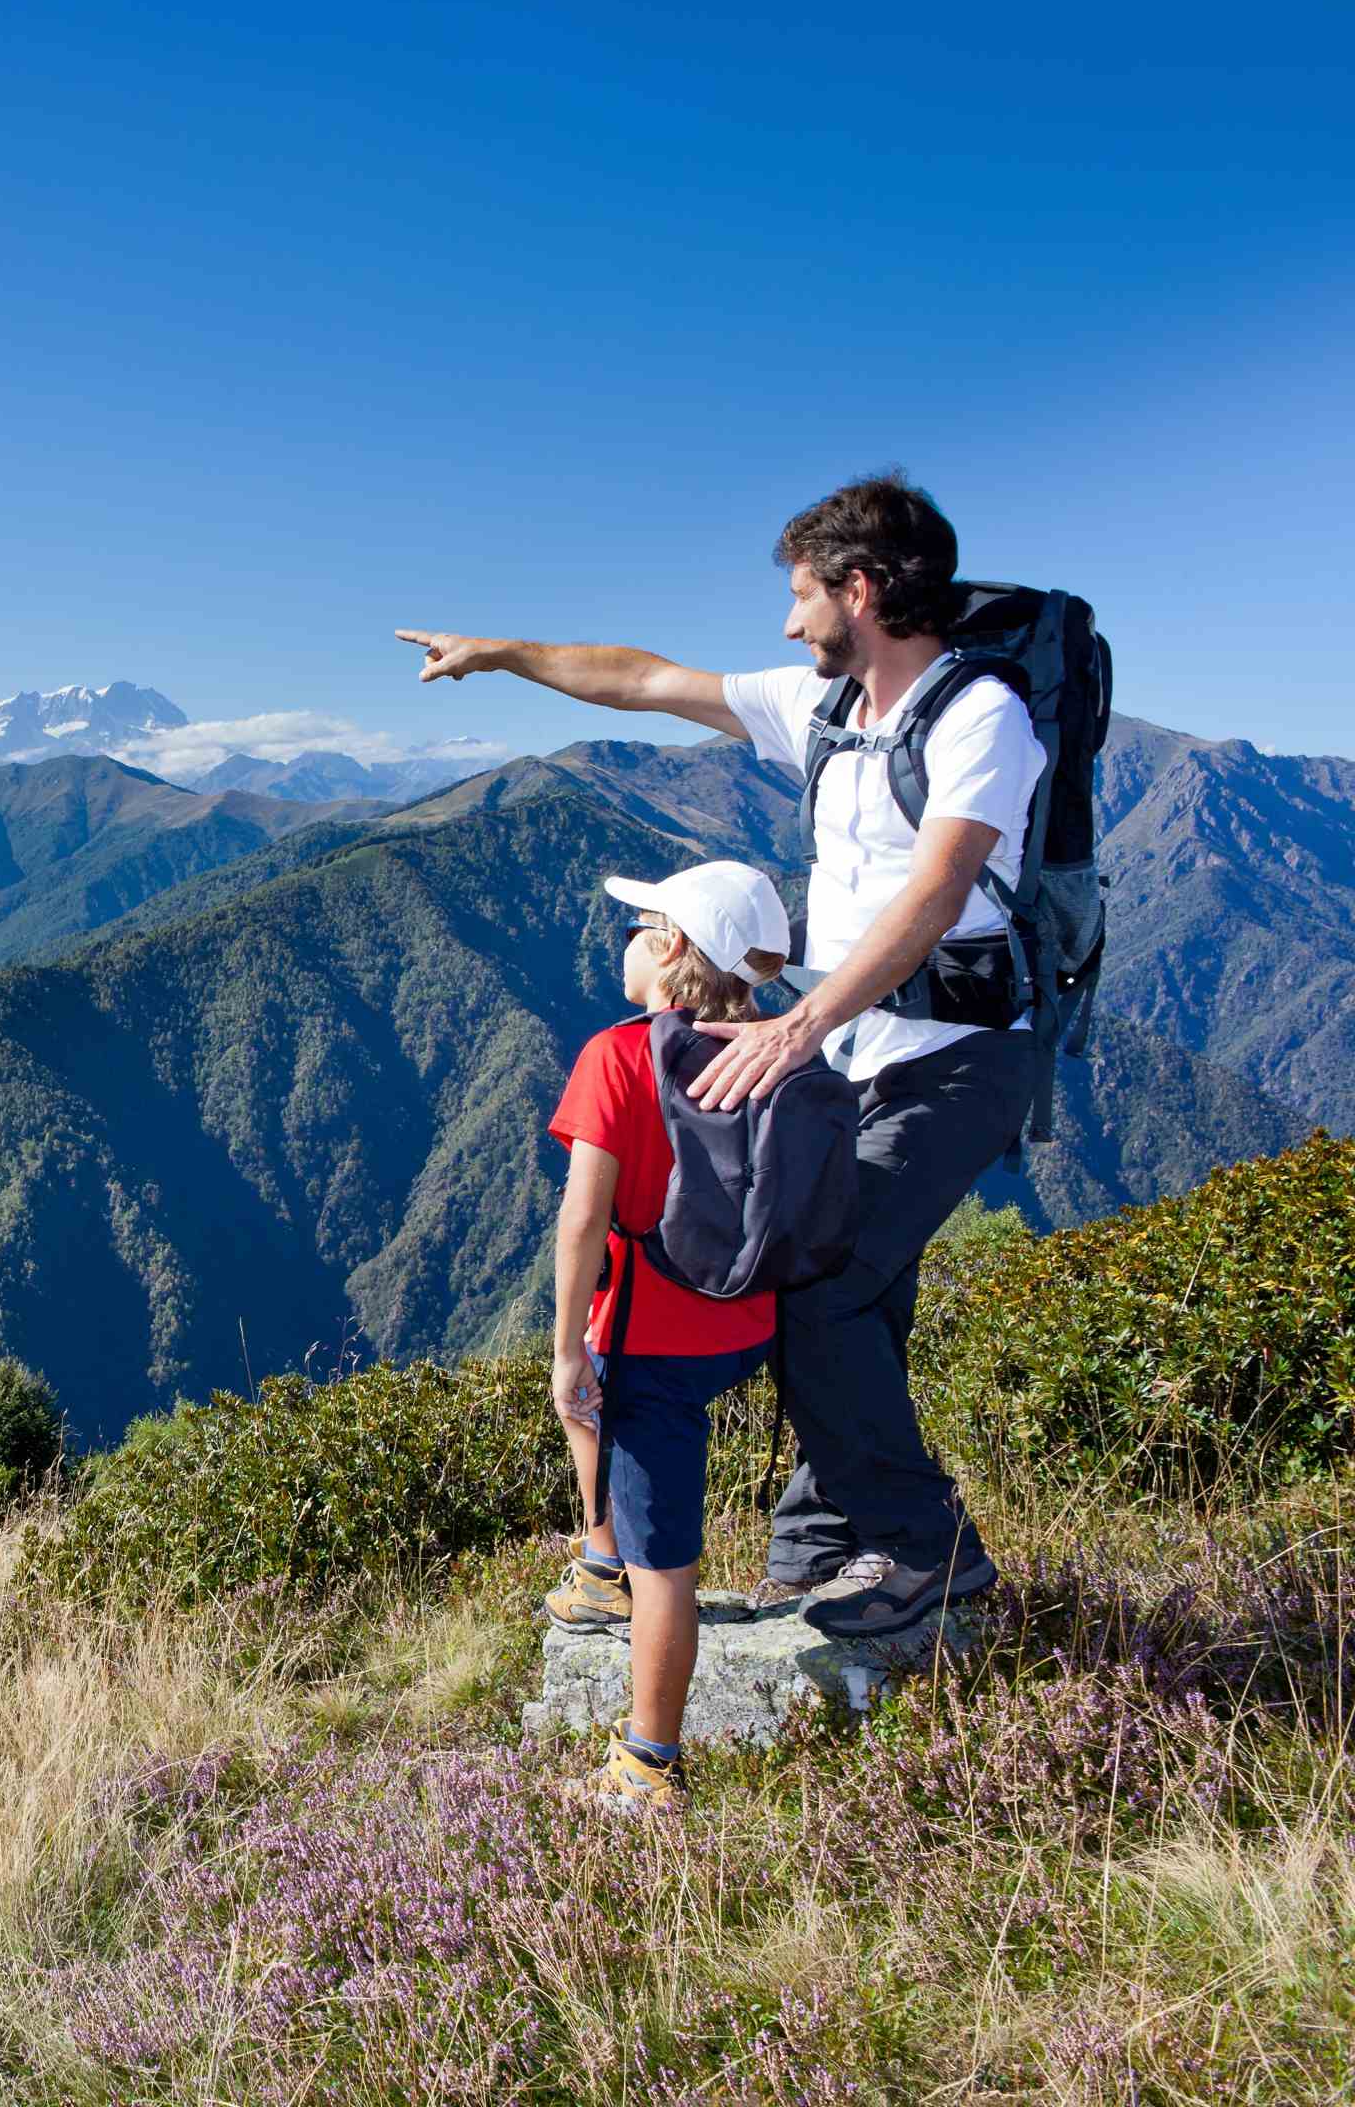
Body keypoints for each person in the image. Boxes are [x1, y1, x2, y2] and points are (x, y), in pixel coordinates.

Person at [402, 470, 1035, 1637]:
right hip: (851, 1060)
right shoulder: (827, 709)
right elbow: (642, 679)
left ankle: (929, 1554)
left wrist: (801, 1020)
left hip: (955, 1058)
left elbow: (941, 888)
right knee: (849, 1286)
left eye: (803, 597)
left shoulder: (979, 716)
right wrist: (500, 654)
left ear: (861, 588)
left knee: (824, 1289)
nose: (791, 626)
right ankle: (819, 1539)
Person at [541, 859, 788, 1814]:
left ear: (675, 947)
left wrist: (565, 1351)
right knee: (600, 1409)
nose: (628, 939)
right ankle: (603, 1565)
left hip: (652, 1339)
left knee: (668, 1564)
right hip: (752, 1319)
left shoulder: (617, 1055)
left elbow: (581, 1222)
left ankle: (650, 1765)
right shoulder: (773, 1045)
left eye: (643, 924)